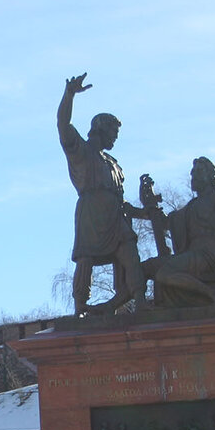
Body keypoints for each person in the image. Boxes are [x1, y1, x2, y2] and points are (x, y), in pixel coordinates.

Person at [58, 73, 146, 315]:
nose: (115, 138)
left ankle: (139, 300)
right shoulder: (81, 151)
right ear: (101, 129)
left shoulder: (114, 164)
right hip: (91, 212)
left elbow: (123, 201)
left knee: (130, 250)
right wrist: (69, 95)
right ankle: (80, 307)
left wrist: (146, 213)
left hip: (116, 215)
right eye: (113, 133)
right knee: (85, 257)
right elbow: (63, 126)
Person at [151, 156, 215, 307]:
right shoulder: (191, 207)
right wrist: (148, 206)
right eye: (193, 173)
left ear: (211, 176)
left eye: (199, 172)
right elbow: (167, 223)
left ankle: (212, 294)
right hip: (194, 256)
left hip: (213, 255)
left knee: (163, 273)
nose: (194, 176)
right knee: (148, 268)